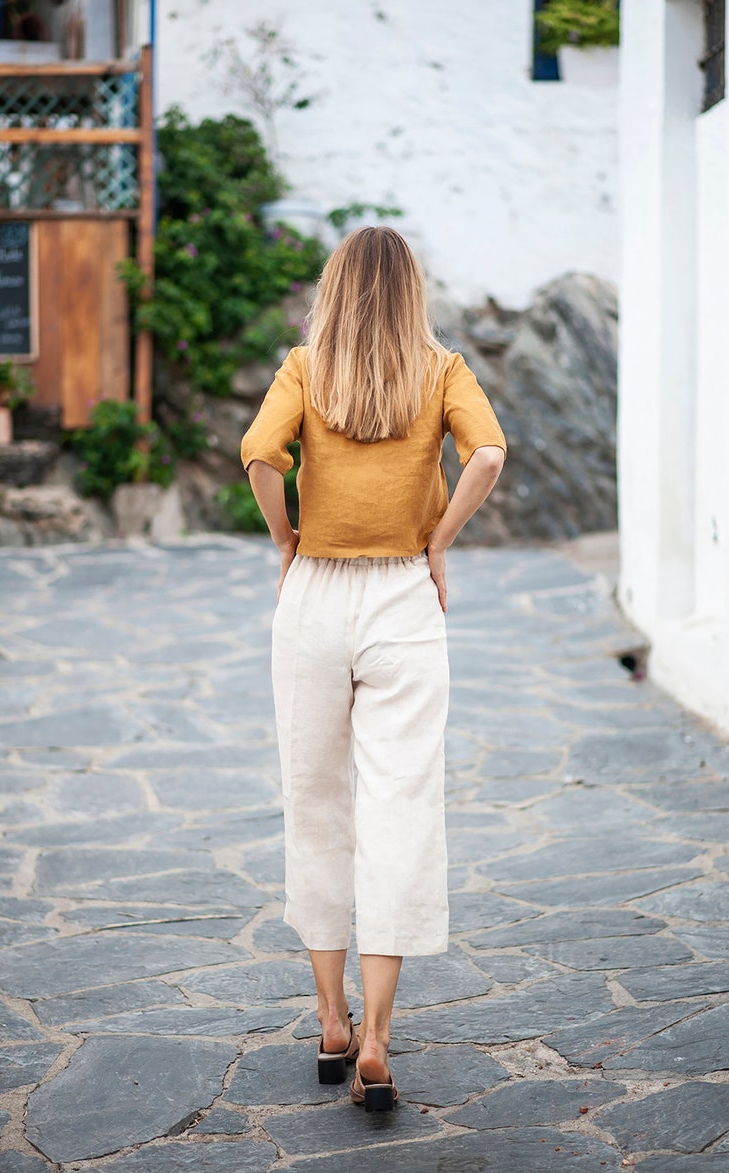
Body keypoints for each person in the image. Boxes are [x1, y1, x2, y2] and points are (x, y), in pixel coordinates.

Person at [240, 226, 506, 1113]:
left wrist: (286, 543)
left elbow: (260, 457)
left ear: (338, 288)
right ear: (411, 293)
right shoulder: (441, 368)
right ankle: (381, 1042)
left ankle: (329, 1019)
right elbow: (491, 453)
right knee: (400, 804)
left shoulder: (306, 365)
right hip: (403, 597)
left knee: (313, 799)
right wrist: (439, 540)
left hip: (314, 597)